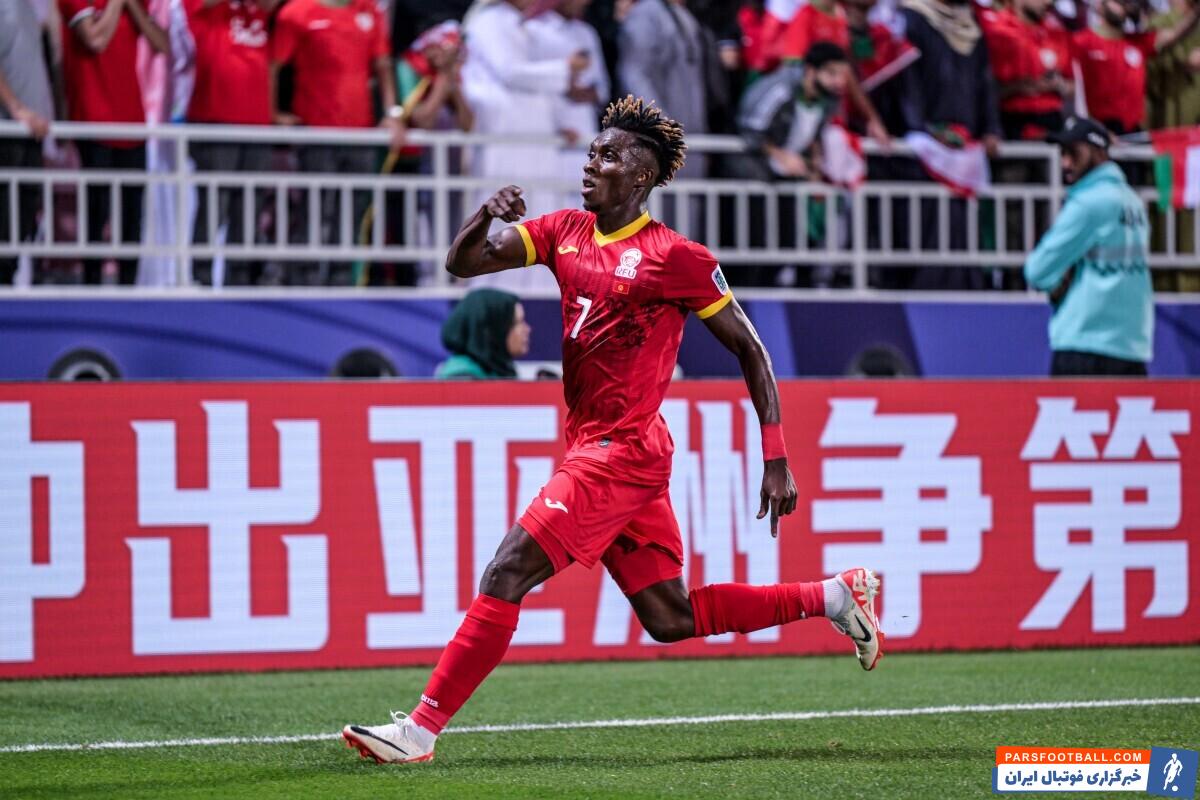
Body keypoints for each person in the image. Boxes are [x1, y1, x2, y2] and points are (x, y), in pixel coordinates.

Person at [342, 95, 884, 765]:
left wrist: (775, 457)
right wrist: (485, 214)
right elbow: (465, 263)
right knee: (670, 617)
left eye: (607, 156)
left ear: (641, 176)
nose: (590, 164)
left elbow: (751, 349)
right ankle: (832, 596)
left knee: (506, 571)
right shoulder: (563, 231)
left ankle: (419, 731)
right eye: (591, 152)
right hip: (605, 447)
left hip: (619, 453)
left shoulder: (675, 257)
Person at [270, 0, 405, 285]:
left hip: (361, 136)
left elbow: (383, 66)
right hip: (316, 135)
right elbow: (273, 65)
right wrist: (271, 113)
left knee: (351, 216)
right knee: (313, 213)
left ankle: (341, 283)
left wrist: (393, 114)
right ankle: (303, 283)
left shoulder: (369, 11)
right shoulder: (296, 12)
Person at [1024, 117, 1152, 376]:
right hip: (1131, 344)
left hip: (1085, 342)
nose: (1065, 163)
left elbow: (1036, 270)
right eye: (1062, 153)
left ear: (1098, 151)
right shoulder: (1133, 202)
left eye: (1074, 152)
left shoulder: (1088, 203)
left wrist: (1057, 283)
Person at [60, 0, 168, 285]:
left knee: (132, 219)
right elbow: (96, 40)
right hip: (93, 122)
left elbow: (162, 44)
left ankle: (129, 291)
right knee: (96, 215)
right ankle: (91, 290)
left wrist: (133, 8)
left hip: (132, 122)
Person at [184, 0, 280, 287]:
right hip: (215, 119)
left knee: (249, 206)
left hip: (257, 123)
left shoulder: (258, 9)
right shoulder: (207, 10)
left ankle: (239, 282)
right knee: (214, 203)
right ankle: (200, 280)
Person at [1070, 0, 1200, 136]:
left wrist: (1196, 12)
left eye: (1126, 3)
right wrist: (1094, 129)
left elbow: (1174, 34)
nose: (1123, 6)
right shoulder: (1081, 42)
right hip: (1098, 132)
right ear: (1099, 4)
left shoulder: (1138, 43)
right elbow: (1072, 93)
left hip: (1134, 132)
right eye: (1117, 2)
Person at [527, 0, 611, 210]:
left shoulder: (586, 33)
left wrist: (583, 92)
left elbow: (602, 88)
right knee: (550, 205)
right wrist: (565, 83)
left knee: (586, 202)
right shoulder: (534, 30)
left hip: (585, 132)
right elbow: (531, 84)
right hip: (551, 131)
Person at [0, 0, 55, 286]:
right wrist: (16, 108)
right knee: (6, 217)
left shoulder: (29, 8)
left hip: (32, 132)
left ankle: (8, 283)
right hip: (7, 132)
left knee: (23, 216)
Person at [435, 288, 531, 378]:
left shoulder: (498, 369)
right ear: (492, 330)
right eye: (517, 322)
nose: (527, 329)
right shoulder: (461, 377)